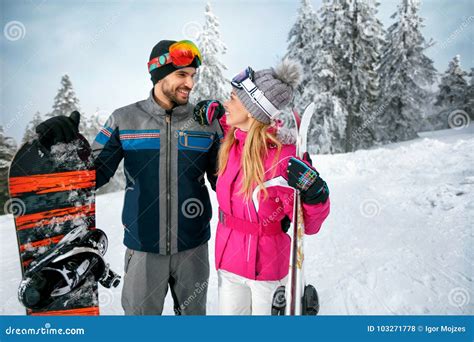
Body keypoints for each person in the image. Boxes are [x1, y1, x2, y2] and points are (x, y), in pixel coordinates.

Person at [35, 39, 223, 315]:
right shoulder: (123, 120)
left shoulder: (206, 123)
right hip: (143, 250)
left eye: (193, 76)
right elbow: (92, 175)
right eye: (182, 75)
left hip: (193, 249)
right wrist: (60, 147)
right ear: (159, 74)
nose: (190, 84)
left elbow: (227, 182)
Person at [203, 60, 331, 315]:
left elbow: (308, 224)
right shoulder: (233, 142)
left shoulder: (283, 158)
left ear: (251, 110)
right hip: (228, 264)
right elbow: (236, 125)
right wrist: (213, 112)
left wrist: (315, 194)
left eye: (232, 98)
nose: (226, 104)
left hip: (268, 271)